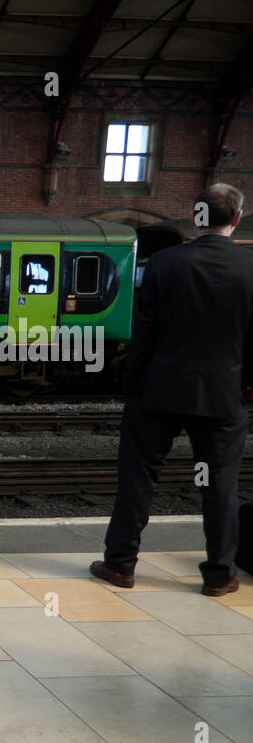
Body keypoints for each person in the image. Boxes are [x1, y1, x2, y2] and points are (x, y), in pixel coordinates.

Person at [93, 182, 253, 595]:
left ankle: (121, 566)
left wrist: (134, 386)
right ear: (236, 219)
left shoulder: (164, 263)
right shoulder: (250, 266)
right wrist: (246, 387)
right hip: (222, 395)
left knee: (138, 480)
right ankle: (220, 575)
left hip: (158, 390)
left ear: (197, 216)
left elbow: (142, 333)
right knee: (220, 487)